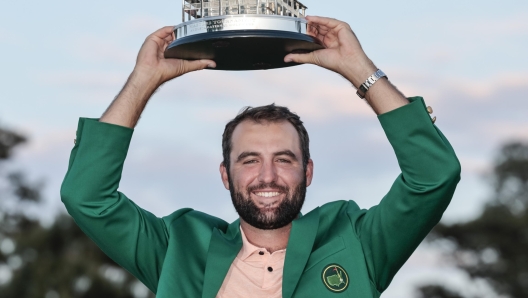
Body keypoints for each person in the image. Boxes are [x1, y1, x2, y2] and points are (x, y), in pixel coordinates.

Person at [61, 16, 461, 297]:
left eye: (284, 159)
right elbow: (87, 196)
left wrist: (360, 70)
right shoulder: (178, 248)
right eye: (249, 160)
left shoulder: (356, 241)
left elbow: (434, 174)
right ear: (225, 174)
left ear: (307, 172)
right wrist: (143, 80)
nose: (267, 176)